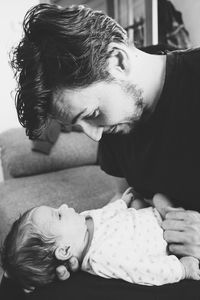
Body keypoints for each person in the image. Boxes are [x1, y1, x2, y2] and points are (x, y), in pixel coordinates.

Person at [2, 3, 200, 300]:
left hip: (185, 267)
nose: (94, 134)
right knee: (17, 286)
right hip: (151, 258)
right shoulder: (115, 128)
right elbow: (128, 196)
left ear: (118, 60)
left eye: (92, 112)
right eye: (78, 123)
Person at [1, 189, 200, 293]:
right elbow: (144, 270)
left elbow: (105, 213)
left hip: (151, 216)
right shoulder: (101, 258)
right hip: (166, 239)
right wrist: (181, 269)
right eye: (58, 215)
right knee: (160, 199)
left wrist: (122, 203)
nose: (63, 205)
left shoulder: (83, 221)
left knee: (154, 197)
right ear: (64, 250)